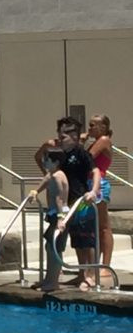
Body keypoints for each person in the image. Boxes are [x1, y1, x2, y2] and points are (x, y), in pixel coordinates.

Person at [34, 117, 102, 289]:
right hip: (63, 204)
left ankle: (88, 276)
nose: (61, 136)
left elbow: (95, 172)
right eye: (59, 132)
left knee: (84, 242)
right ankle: (54, 278)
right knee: (56, 240)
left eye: (65, 133)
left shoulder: (81, 153)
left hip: (79, 202)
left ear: (75, 136)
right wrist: (36, 190)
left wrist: (93, 191)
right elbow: (50, 174)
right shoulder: (59, 154)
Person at [28, 146, 71, 292]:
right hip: (56, 214)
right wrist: (35, 192)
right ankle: (48, 279)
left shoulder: (57, 176)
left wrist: (60, 219)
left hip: (60, 215)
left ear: (56, 162)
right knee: (50, 247)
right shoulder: (54, 174)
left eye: (47, 160)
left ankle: (53, 282)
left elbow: (59, 198)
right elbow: (46, 180)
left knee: (54, 248)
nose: (44, 162)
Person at [85, 114, 115, 281]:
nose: (89, 129)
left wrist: (82, 140)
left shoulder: (103, 140)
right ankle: (95, 264)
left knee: (103, 226)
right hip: (90, 184)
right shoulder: (96, 141)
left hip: (99, 184)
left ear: (103, 127)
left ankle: (106, 266)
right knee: (94, 227)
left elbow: (87, 158)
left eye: (92, 126)